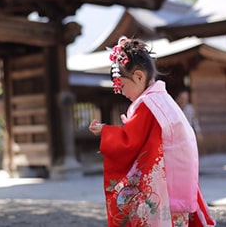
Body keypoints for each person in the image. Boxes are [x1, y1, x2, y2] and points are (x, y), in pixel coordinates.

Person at [88, 36, 215, 227]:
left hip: (164, 187)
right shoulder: (163, 100)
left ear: (139, 76)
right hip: (179, 182)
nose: (121, 92)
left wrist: (105, 131)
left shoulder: (148, 104)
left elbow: (130, 141)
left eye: (121, 85)